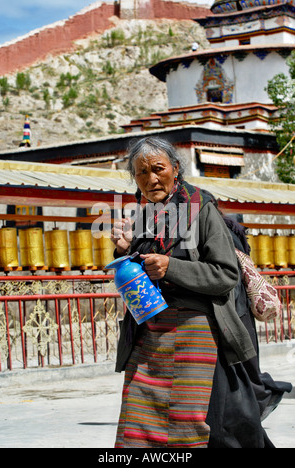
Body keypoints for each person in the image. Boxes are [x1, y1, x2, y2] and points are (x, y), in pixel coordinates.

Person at [111, 136, 257, 449]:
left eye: (158, 169)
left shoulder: (201, 208)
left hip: (194, 332)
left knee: (185, 426)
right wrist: (126, 248)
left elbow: (225, 274)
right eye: (141, 172)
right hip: (149, 332)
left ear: (176, 168)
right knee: (137, 425)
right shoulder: (145, 214)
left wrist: (171, 268)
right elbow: (146, 265)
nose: (151, 179)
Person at [202, 193, 292, 448]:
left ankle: (263, 397)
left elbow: (222, 278)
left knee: (238, 389)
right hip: (241, 316)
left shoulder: (218, 234)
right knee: (243, 380)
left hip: (231, 318)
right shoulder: (232, 230)